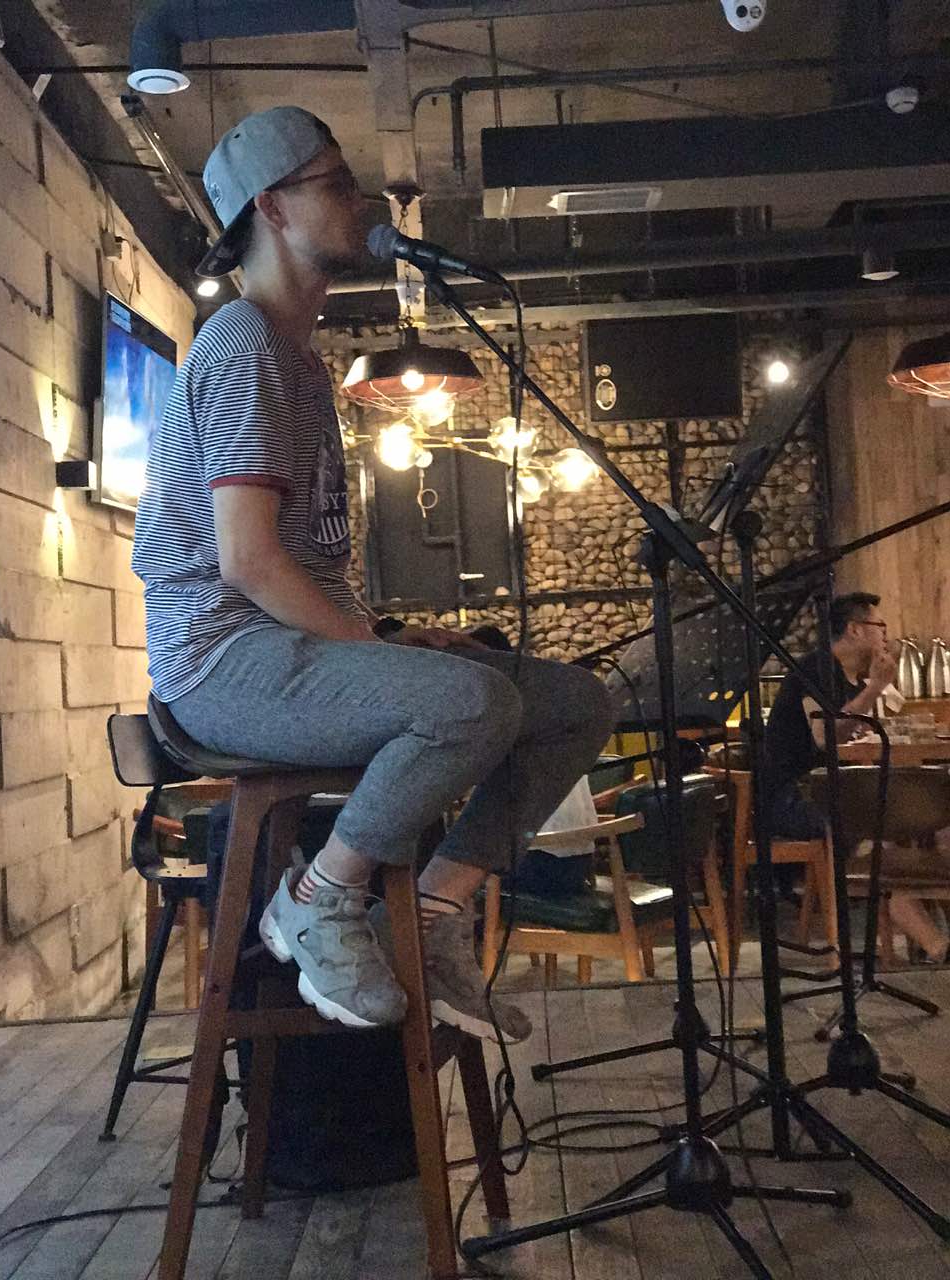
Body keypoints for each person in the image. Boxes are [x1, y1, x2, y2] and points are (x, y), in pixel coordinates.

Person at [131, 106, 614, 1041]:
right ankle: (315, 899)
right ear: (273, 207)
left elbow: (297, 560)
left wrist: (386, 638)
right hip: (220, 662)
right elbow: (248, 561)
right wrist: (379, 649)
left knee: (572, 704)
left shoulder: (300, 363)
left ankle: (428, 916)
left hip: (281, 648)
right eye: (337, 183)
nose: (362, 202)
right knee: (472, 702)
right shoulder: (243, 344)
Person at [764, 592, 947, 961]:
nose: (885, 635)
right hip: (796, 796)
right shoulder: (817, 668)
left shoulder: (852, 677)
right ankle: (927, 933)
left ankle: (926, 933)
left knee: (930, 816)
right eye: (880, 626)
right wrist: (875, 688)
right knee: (889, 827)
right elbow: (824, 736)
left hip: (838, 790)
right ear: (855, 629)